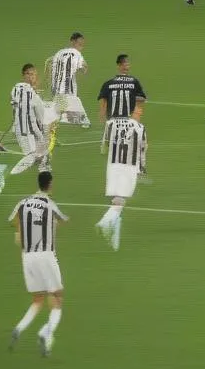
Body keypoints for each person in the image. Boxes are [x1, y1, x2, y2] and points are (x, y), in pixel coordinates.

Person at [8, 170, 67, 357]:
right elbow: (63, 219)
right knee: (57, 297)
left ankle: (19, 328)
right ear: (49, 184)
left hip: (28, 257)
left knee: (38, 299)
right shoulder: (49, 203)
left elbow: (12, 221)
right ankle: (45, 332)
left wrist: (19, 232)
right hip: (46, 255)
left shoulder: (23, 202)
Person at [96, 111, 148, 250]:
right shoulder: (140, 128)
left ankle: (112, 229)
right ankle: (105, 223)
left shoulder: (111, 123)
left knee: (116, 198)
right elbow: (142, 149)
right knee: (121, 199)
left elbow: (105, 143)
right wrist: (142, 168)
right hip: (129, 167)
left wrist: (103, 150)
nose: (140, 113)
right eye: (138, 111)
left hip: (113, 165)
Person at [9, 64, 56, 176]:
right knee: (33, 156)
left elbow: (14, 105)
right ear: (23, 75)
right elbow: (42, 117)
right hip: (28, 131)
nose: (31, 77)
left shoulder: (15, 89)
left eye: (34, 74)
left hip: (24, 129)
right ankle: (13, 173)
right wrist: (50, 128)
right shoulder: (34, 95)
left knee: (44, 154)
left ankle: (44, 173)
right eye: (29, 74)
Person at [46, 32, 89, 129]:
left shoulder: (58, 53)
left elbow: (51, 70)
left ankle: (51, 131)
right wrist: (84, 70)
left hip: (56, 90)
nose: (81, 47)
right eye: (80, 44)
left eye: (82, 45)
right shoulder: (77, 54)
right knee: (84, 122)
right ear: (73, 42)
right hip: (68, 92)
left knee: (57, 114)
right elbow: (84, 67)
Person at [97, 54, 147, 124]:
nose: (127, 67)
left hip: (112, 122)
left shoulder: (108, 83)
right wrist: (131, 97)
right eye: (126, 65)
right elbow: (142, 99)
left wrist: (102, 119)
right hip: (128, 121)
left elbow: (103, 104)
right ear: (119, 66)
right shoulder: (134, 82)